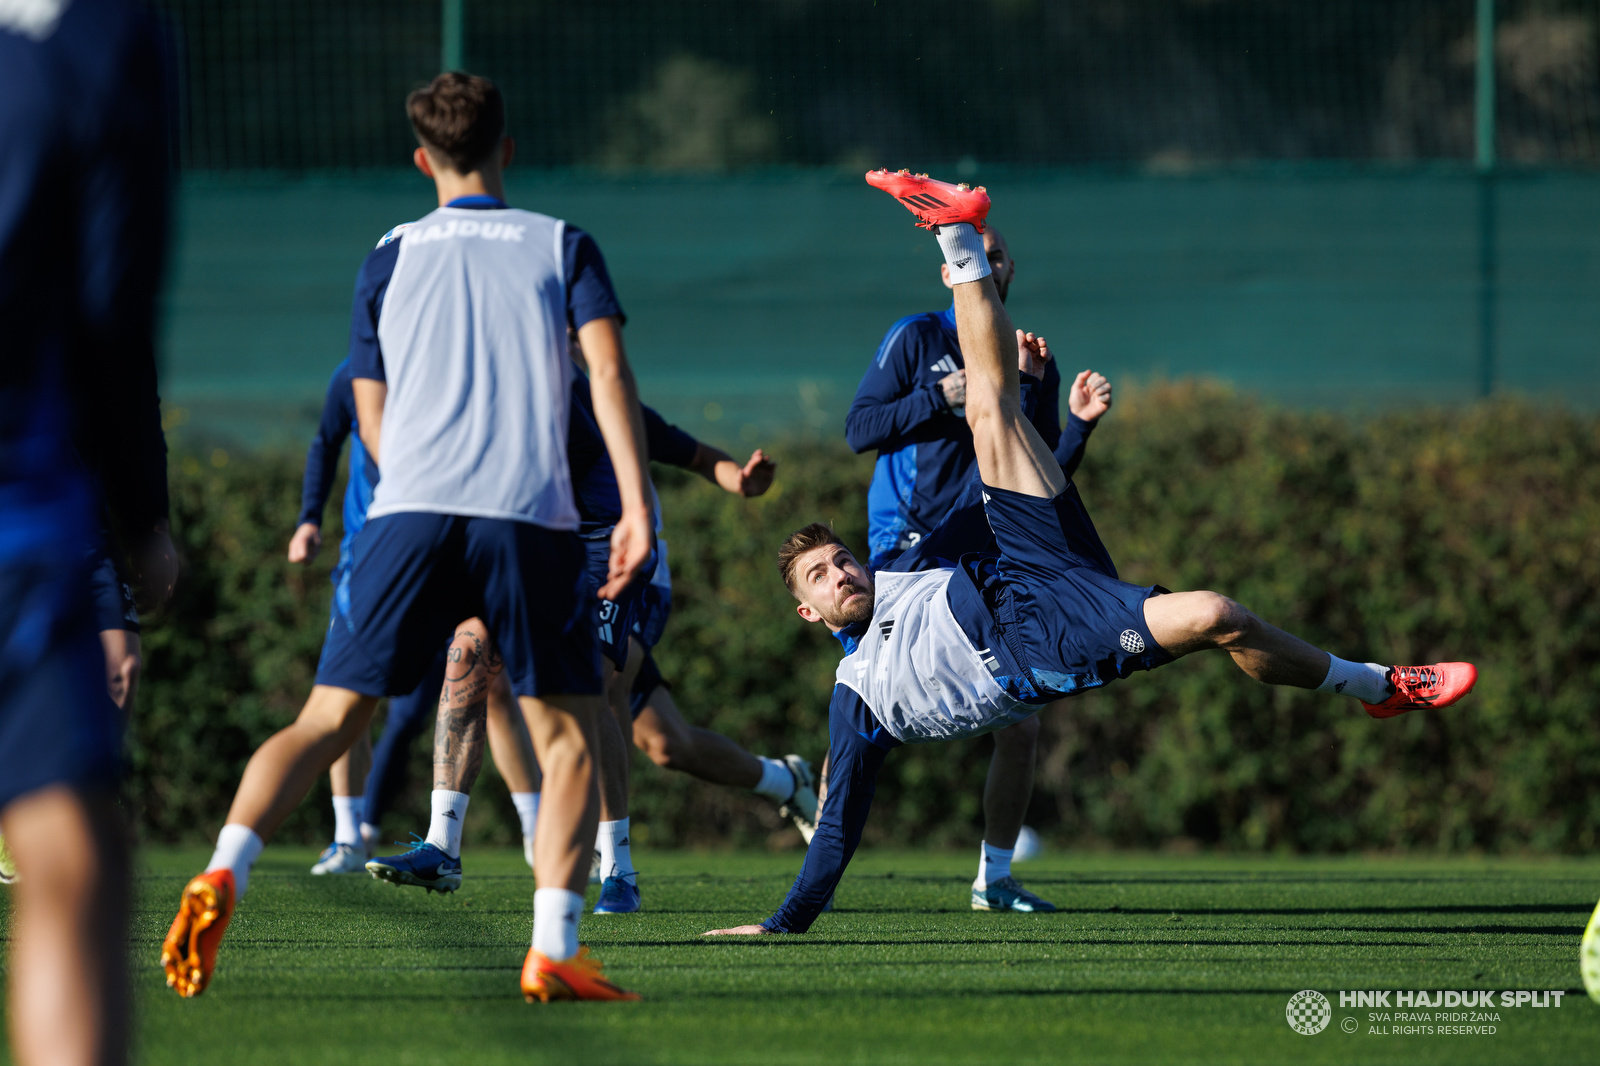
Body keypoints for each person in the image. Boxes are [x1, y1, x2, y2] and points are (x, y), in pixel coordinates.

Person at [704, 170, 1478, 938]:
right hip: (1042, 644)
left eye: (841, 559)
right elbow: (839, 824)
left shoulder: (906, 573)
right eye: (820, 575)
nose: (841, 571)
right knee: (1218, 614)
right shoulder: (858, 689)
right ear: (808, 613)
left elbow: (1000, 487)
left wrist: (1067, 429)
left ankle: (955, 229)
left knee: (993, 415)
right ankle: (1372, 685)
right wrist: (780, 926)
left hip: (1032, 569)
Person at [161, 72, 651, 1003]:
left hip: (409, 508)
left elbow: (369, 413)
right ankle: (553, 947)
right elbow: (611, 373)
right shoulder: (561, 242)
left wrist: (408, 499)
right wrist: (636, 506)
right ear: (507, 148)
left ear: (421, 159)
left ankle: (224, 868)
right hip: (526, 514)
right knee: (569, 738)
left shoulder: (387, 254)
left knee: (324, 720)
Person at [367, 360, 820, 905]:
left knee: (603, 693)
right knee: (476, 657)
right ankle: (449, 843)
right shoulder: (491, 372)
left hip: (611, 559)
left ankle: (619, 871)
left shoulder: (593, 395)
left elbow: (691, 456)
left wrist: (739, 481)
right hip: (535, 549)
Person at [2, 1, 179, 1062]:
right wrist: (142, 512)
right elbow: (113, 304)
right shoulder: (105, 41)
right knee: (72, 860)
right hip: (20, 503)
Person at [844, 219, 1108, 912]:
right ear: (950, 271)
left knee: (1021, 723)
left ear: (1012, 269)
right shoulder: (919, 337)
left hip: (974, 555)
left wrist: (1070, 419)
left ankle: (994, 880)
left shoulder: (1024, 352)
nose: (987, 267)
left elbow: (1034, 475)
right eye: (976, 259)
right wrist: (943, 396)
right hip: (907, 555)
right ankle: (821, 874)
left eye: (997, 258)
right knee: (862, 710)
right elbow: (859, 428)